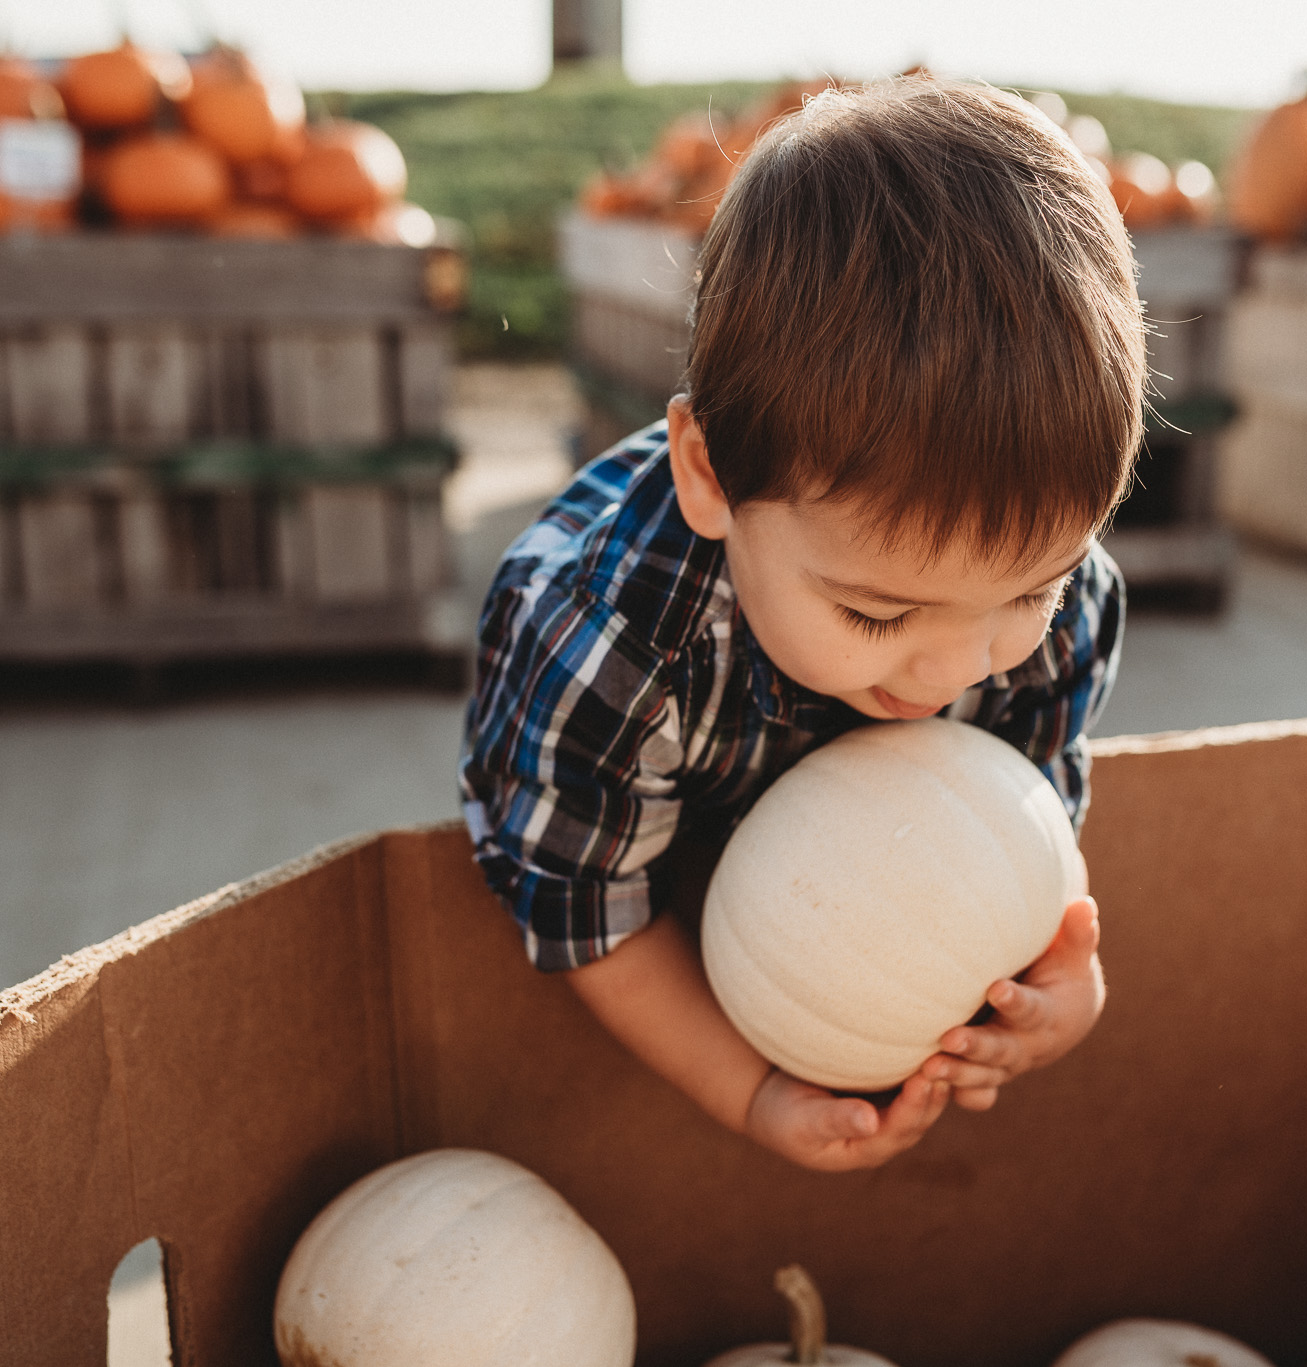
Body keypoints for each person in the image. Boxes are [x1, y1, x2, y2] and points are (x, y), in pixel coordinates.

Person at [459, 77, 1143, 1172]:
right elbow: (584, 905)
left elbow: (1012, 821)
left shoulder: (1062, 600)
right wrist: (750, 1092)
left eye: (1025, 591)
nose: (954, 664)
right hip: (641, 770)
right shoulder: (608, 649)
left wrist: (1055, 964)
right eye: (876, 611)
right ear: (709, 474)